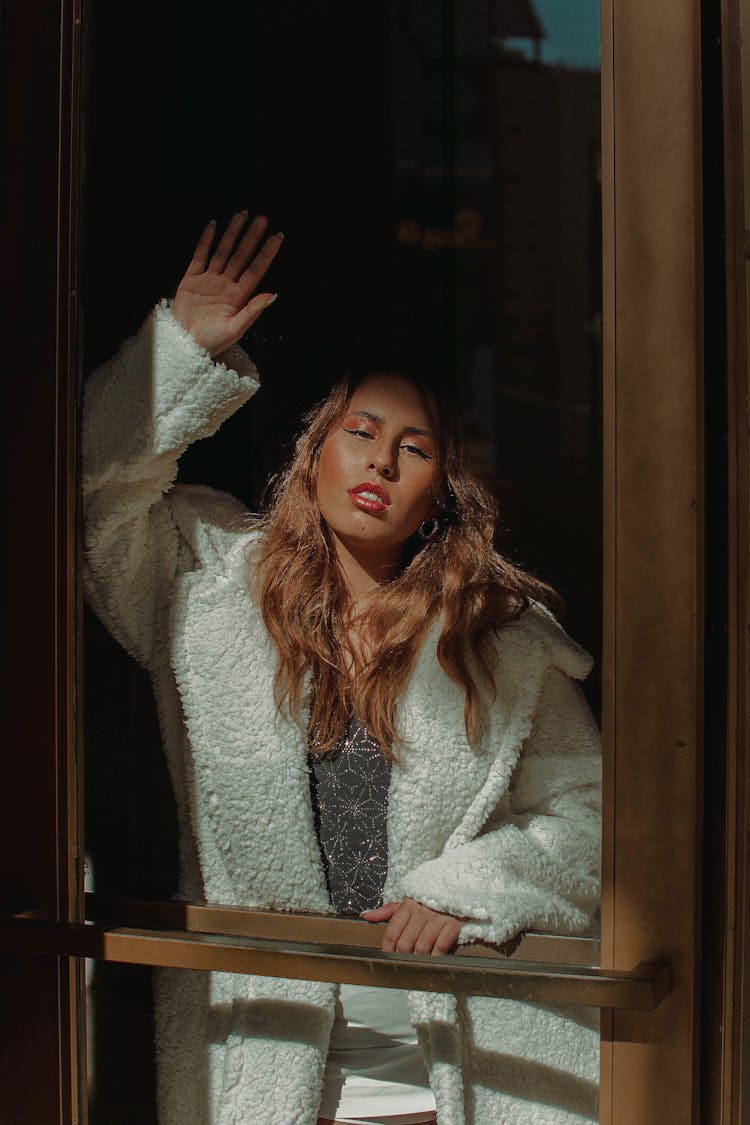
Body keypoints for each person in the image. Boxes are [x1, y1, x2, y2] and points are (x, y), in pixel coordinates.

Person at [82, 212, 602, 1125]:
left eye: (416, 447)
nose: (382, 460)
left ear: (441, 490)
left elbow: (594, 818)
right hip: (263, 1044)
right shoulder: (202, 587)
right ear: (315, 447)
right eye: (362, 430)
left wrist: (471, 890)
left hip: (471, 1052)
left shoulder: (501, 643)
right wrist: (179, 353)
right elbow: (87, 495)